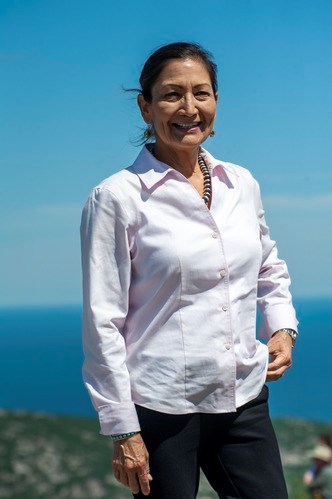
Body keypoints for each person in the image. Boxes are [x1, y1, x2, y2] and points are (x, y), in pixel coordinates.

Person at [80, 42, 299, 499]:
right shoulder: (117, 197)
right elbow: (104, 321)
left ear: (216, 101)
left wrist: (281, 327)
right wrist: (123, 430)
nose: (189, 107)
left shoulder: (241, 183)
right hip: (160, 410)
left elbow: (268, 264)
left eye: (201, 93)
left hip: (242, 396)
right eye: (171, 94)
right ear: (145, 106)